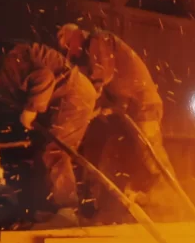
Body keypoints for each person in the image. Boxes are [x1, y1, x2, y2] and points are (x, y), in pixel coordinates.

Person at [0, 43, 98, 224]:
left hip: (73, 94)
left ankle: (68, 212)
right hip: (66, 97)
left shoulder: (10, 63)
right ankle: (54, 209)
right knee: (44, 152)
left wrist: (31, 109)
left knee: (55, 152)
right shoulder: (6, 74)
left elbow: (44, 78)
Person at [55, 24, 175, 184]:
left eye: (70, 46)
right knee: (119, 155)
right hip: (132, 109)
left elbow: (102, 75)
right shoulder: (94, 50)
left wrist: (84, 105)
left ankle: (170, 198)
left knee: (152, 156)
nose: (73, 54)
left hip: (144, 105)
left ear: (76, 38)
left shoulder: (99, 40)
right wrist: (101, 109)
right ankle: (144, 198)